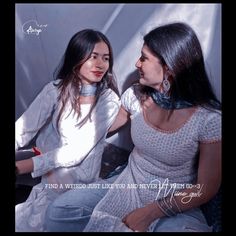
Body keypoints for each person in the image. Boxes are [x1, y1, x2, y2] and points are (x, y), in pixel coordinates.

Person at [45, 22, 221, 232]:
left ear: (171, 67)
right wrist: (83, 91)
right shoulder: (136, 96)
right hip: (127, 184)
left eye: (144, 58)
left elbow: (205, 188)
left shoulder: (209, 119)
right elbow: (102, 129)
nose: (137, 63)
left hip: (175, 200)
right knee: (60, 211)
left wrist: (151, 212)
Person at [15, 29, 121, 232]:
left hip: (80, 191)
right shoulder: (55, 90)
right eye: (93, 57)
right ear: (76, 56)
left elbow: (76, 151)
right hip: (51, 185)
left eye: (105, 58)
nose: (100, 64)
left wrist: (21, 167)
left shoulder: (109, 100)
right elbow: (22, 129)